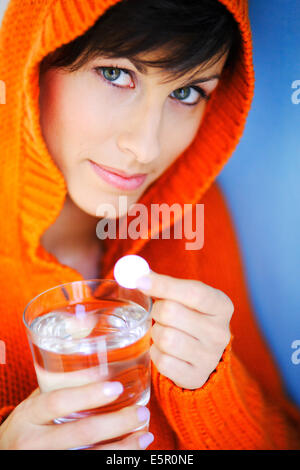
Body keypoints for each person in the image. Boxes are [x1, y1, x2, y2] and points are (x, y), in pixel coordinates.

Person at [0, 0, 300, 450]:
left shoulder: (192, 222)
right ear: (34, 62)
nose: (145, 146)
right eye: (117, 73)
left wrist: (213, 391)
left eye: (186, 93)